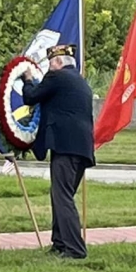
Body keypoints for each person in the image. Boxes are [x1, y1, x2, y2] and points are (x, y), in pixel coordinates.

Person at [21, 44, 94, 259]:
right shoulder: (79, 81)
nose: (49, 68)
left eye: (51, 63)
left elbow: (31, 97)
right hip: (82, 147)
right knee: (62, 195)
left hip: (65, 146)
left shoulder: (57, 78)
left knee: (62, 197)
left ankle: (75, 249)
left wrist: (26, 78)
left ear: (59, 63)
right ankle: (60, 243)